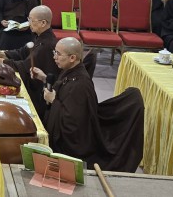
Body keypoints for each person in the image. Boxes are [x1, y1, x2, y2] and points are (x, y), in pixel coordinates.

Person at [32, 38, 144, 172]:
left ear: (72, 58)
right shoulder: (72, 71)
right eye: (54, 52)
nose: (54, 57)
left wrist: (53, 101)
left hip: (74, 145)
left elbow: (74, 124)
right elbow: (63, 90)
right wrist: (44, 78)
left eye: (58, 54)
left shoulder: (81, 86)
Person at [0, 6, 60, 120]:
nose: (29, 23)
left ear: (43, 23)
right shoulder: (40, 36)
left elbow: (26, 67)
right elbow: (23, 52)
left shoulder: (47, 45)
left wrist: (2, 62)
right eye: (29, 19)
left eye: (31, 20)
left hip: (39, 93)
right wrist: (2, 53)